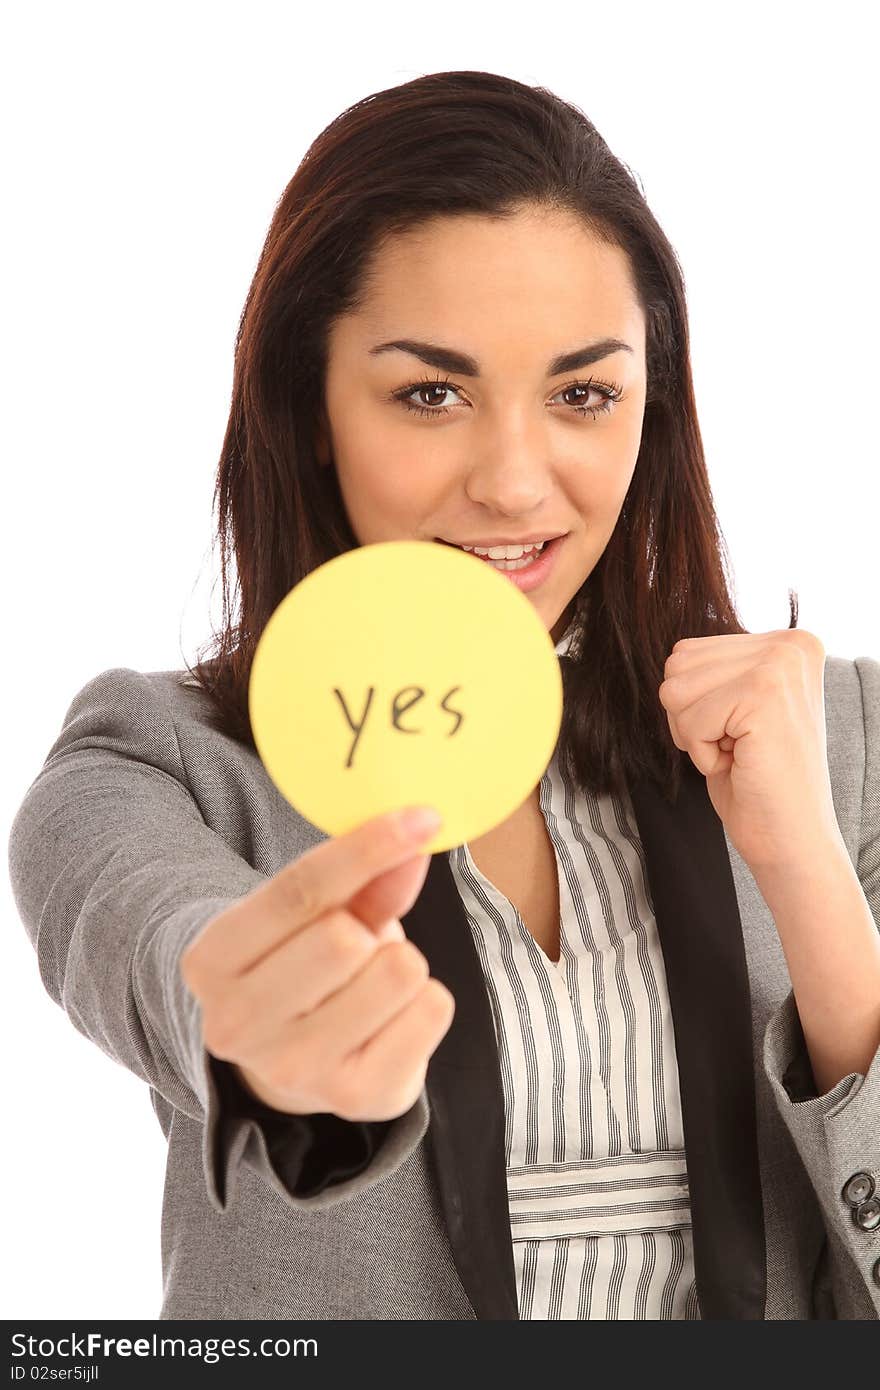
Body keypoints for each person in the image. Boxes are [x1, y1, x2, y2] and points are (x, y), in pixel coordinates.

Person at [8, 69, 880, 1322]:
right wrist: (261, 1026)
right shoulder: (161, 762)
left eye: (583, 394)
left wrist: (805, 869)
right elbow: (151, 946)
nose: (517, 485)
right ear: (311, 407)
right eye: (431, 393)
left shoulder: (827, 738)